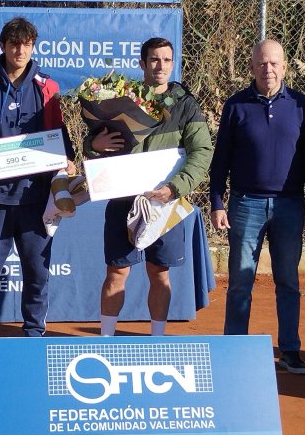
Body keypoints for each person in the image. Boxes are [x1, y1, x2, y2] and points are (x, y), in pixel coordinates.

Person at [0, 17, 76, 368]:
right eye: (13, 43)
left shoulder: (48, 86)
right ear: (3, 46)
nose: (19, 50)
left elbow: (59, 137)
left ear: (33, 47)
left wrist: (67, 161)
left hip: (36, 199)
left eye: (25, 44)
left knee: (37, 272)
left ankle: (34, 335)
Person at [86, 37, 213, 337]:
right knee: (117, 273)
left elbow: (202, 151)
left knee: (160, 273)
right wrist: (93, 144)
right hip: (123, 200)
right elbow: (93, 146)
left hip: (165, 204)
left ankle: (156, 339)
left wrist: (174, 188)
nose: (161, 66)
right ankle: (106, 340)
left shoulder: (185, 105)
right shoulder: (121, 99)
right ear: (142, 64)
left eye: (167, 60)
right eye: (154, 59)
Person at [209, 39, 305, 375]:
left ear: (284, 67)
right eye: (261, 63)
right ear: (252, 67)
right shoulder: (236, 105)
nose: (268, 69)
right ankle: (235, 348)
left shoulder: (301, 106)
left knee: (288, 280)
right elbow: (221, 160)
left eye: (274, 64)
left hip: (290, 205)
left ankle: (290, 350)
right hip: (246, 204)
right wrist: (217, 202)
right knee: (241, 280)